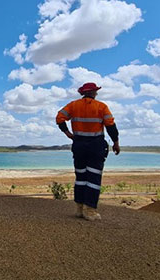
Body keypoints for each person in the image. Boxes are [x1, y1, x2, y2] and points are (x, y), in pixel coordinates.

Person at [56, 82, 120, 221]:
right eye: (96, 91)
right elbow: (110, 126)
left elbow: (59, 117)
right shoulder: (101, 107)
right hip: (95, 146)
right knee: (94, 178)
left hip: (79, 145)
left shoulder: (73, 105)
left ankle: (79, 209)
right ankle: (90, 210)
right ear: (93, 93)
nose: (97, 93)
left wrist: (67, 133)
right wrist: (116, 143)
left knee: (80, 177)